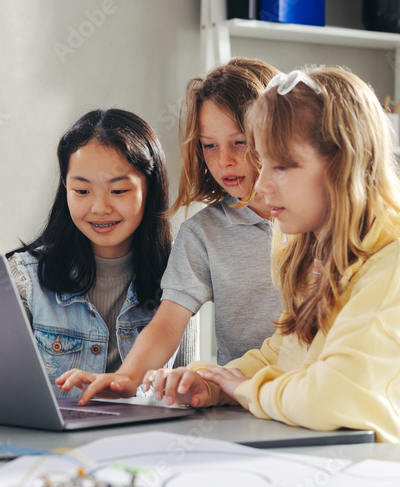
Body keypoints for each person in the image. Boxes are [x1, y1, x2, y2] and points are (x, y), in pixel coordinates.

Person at [144, 67, 400, 461]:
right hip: (336, 473)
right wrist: (211, 382)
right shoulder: (314, 259)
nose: (263, 184)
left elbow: (331, 396)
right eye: (263, 164)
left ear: (342, 164)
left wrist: (244, 390)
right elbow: (280, 355)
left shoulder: (397, 267)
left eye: (281, 166)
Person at [56, 58, 284, 405]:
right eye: (210, 145)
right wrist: (124, 378)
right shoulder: (202, 234)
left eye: (240, 142)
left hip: (315, 396)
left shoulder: (316, 221)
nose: (224, 160)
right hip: (244, 405)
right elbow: (166, 324)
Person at [6, 109, 173, 399]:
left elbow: (179, 394)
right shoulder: (24, 279)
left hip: (143, 441)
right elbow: (2, 391)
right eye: (82, 191)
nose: (99, 208)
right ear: (65, 189)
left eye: (118, 191)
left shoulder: (178, 276)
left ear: (150, 188)